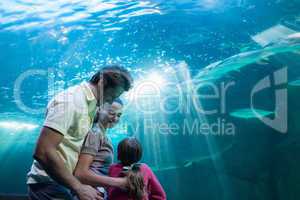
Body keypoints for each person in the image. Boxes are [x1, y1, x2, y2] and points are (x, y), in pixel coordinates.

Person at [27, 65, 133, 200]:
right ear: (102, 82)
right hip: (48, 184)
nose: (111, 101)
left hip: (61, 183)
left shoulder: (91, 106)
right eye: (112, 95)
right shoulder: (71, 100)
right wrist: (78, 187)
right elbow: (43, 151)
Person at [74, 98, 126, 199]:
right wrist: (119, 182)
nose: (115, 118)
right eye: (112, 113)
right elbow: (80, 173)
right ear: (99, 109)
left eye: (119, 115)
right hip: (90, 193)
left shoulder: (102, 134)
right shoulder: (95, 133)